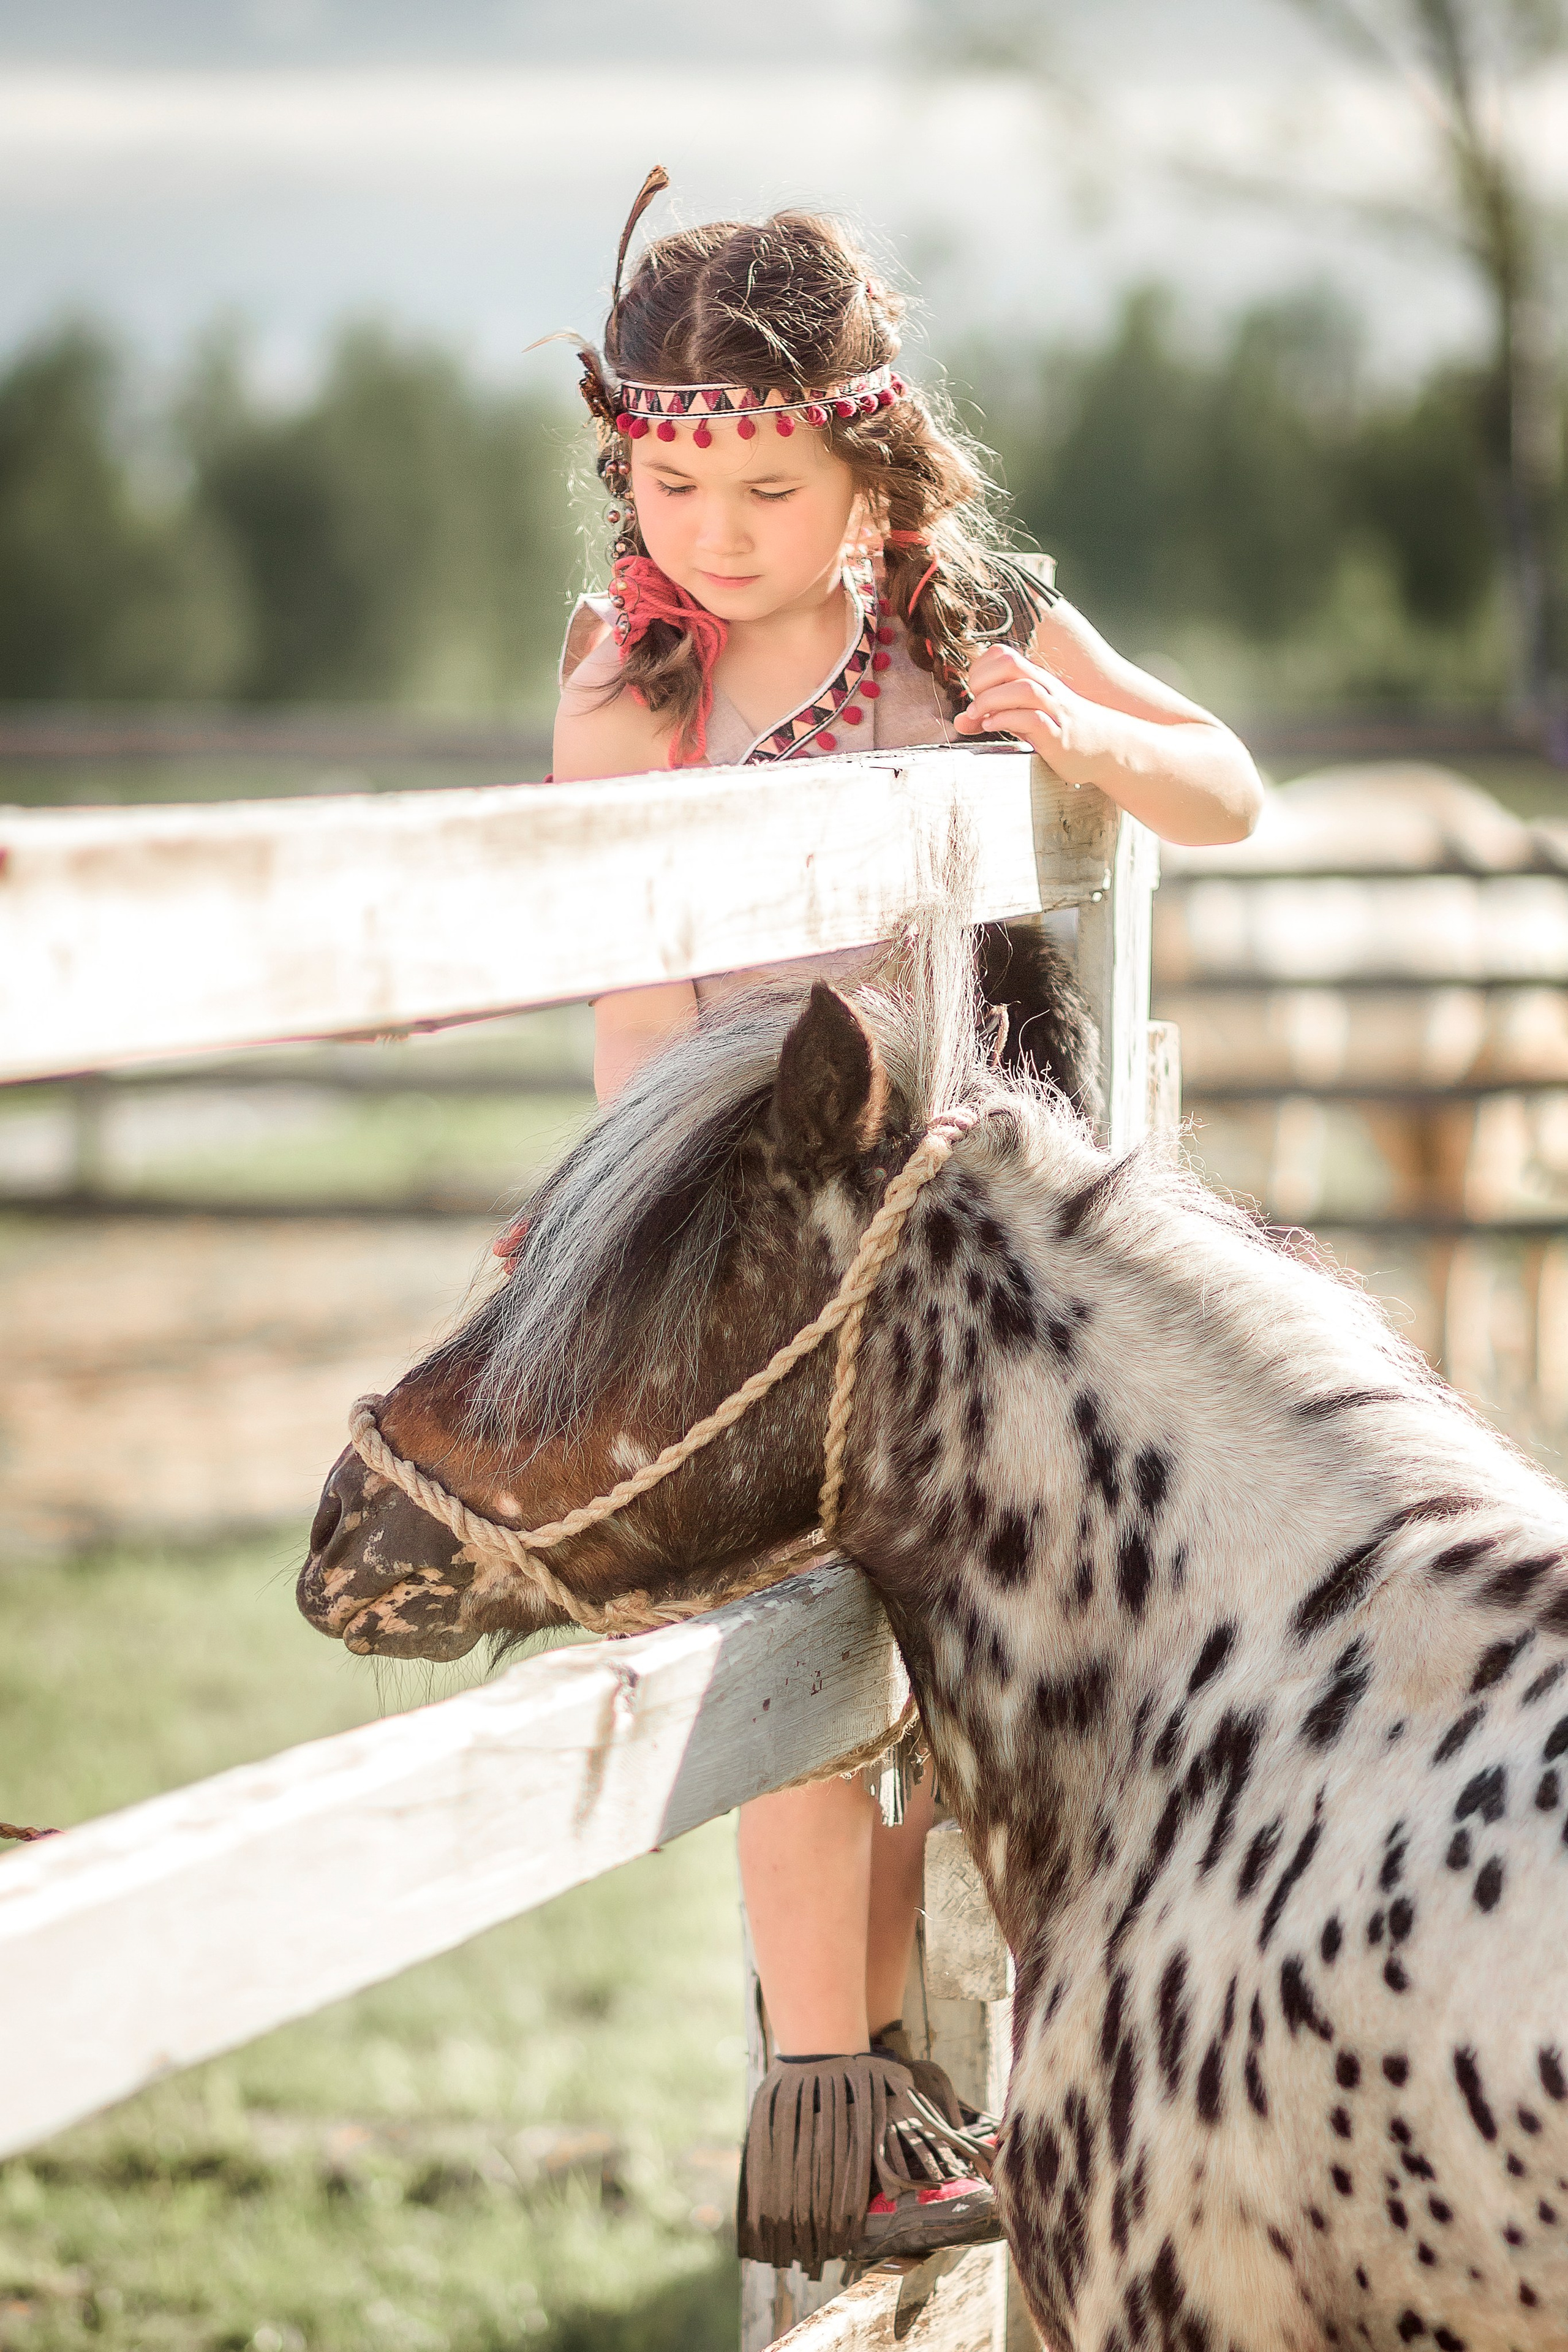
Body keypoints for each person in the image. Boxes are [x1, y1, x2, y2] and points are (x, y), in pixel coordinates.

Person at [547, 167, 1262, 2278]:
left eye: (768, 486)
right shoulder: (632, 684)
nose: (722, 538)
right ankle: (827, 2103)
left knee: (969, 1673)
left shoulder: (965, 627)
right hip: (746, 1229)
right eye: (682, 490)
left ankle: (999, 2065)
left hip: (972, 1238)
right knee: (794, 1644)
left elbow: (1233, 786)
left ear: (868, 453)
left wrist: (1094, 739)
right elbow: (634, 1007)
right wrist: (658, 1236)